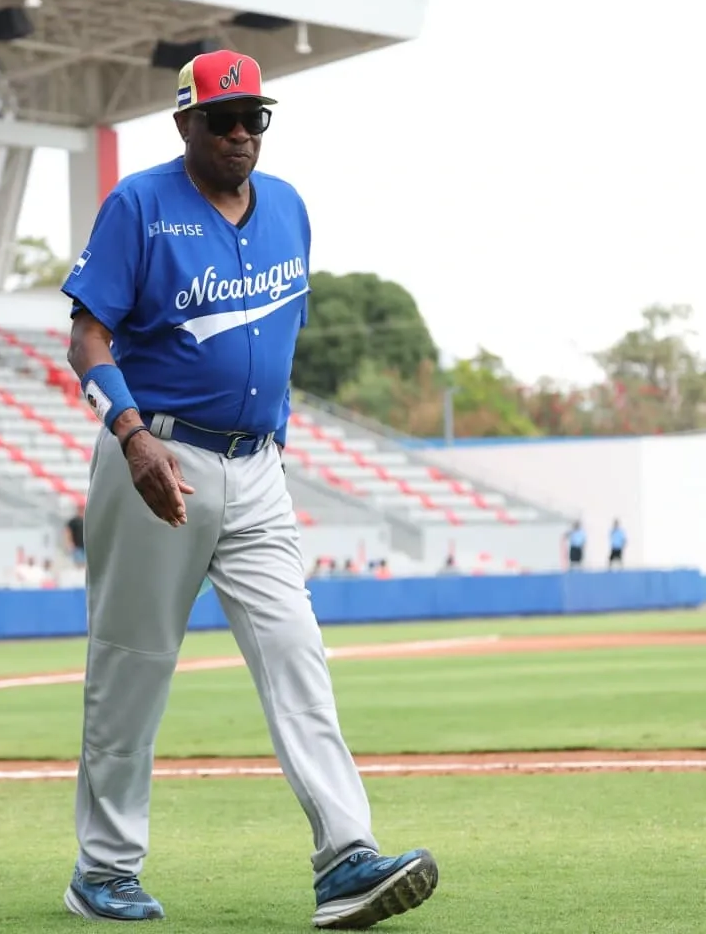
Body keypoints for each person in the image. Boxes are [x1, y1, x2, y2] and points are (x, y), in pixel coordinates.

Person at [57, 49, 438, 929]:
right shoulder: (141, 204)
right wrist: (131, 435)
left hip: (257, 465)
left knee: (296, 652)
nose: (239, 133)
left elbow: (275, 341)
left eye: (253, 118)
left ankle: (345, 858)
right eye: (222, 118)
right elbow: (87, 336)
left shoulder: (290, 209)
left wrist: (268, 444)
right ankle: (102, 871)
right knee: (132, 669)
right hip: (158, 456)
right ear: (184, 122)